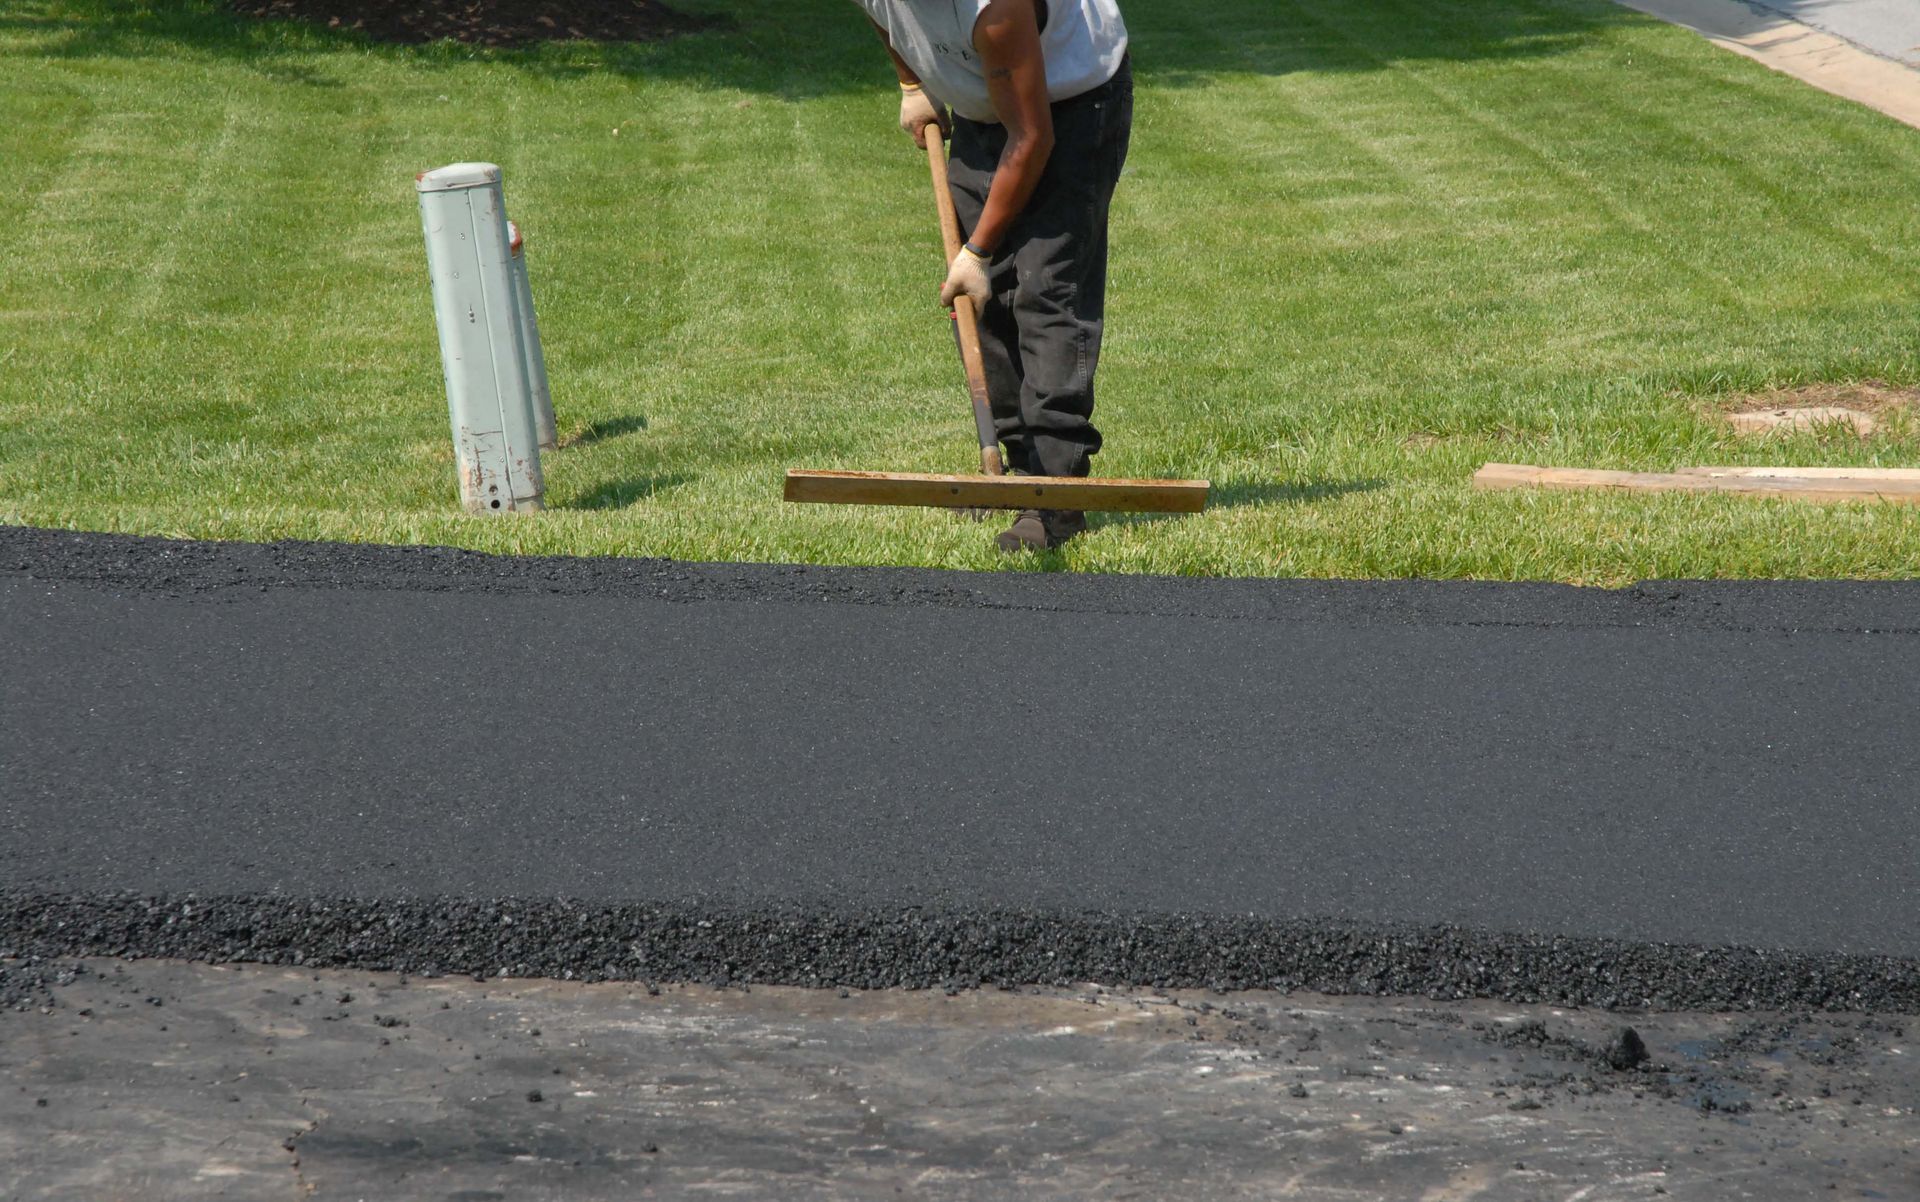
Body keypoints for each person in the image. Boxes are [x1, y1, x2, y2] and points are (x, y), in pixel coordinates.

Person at [854, 0, 1132, 551]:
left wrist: (977, 251)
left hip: (1070, 102)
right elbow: (881, 15)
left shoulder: (995, 4)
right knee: (981, 303)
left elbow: (1032, 137)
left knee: (1045, 289)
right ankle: (1011, 468)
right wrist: (913, 84)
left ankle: (1056, 497)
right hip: (986, 102)